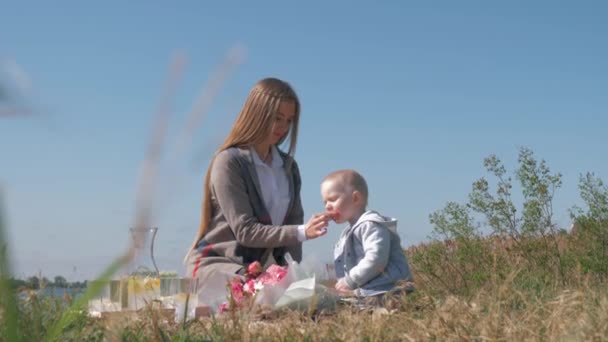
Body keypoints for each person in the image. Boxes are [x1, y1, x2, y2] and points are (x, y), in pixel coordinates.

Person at [185, 77, 331, 293]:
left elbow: (292, 230)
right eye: (277, 118)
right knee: (260, 294)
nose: (283, 127)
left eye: (289, 120)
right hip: (220, 267)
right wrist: (302, 232)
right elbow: (246, 231)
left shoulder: (289, 167)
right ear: (257, 114)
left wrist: (292, 274)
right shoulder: (229, 162)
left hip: (259, 272)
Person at [321, 169, 413, 303]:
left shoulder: (370, 224)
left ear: (355, 198)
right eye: (325, 202)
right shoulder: (348, 233)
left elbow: (376, 259)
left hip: (389, 289)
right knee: (332, 300)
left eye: (333, 199)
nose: (327, 206)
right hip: (371, 289)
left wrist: (349, 281)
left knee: (341, 305)